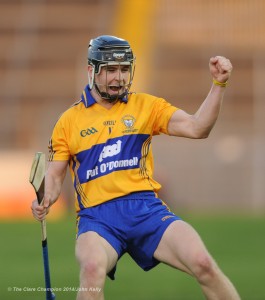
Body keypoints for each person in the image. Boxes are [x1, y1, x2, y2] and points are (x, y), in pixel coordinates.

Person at [31, 35, 240, 300]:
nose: (118, 77)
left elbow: (198, 127)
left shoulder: (146, 106)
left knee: (203, 263)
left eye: (123, 69)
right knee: (92, 268)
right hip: (97, 219)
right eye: (110, 70)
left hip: (146, 209)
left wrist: (219, 84)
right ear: (91, 70)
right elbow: (54, 174)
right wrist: (45, 199)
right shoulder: (68, 121)